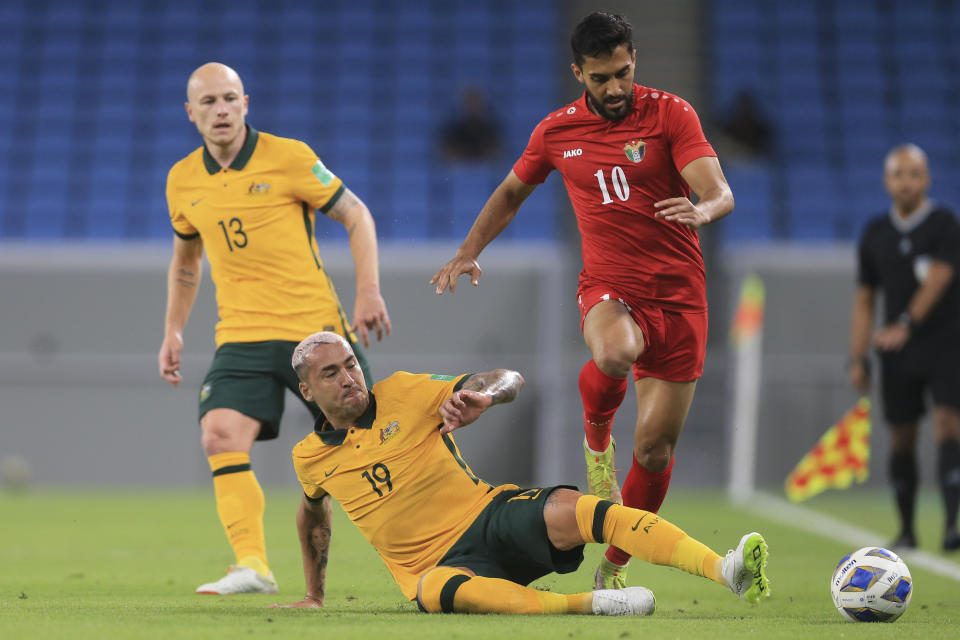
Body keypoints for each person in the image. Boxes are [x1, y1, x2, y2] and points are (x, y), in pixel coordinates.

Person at [430, 12, 734, 589]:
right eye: (601, 78)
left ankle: (614, 566)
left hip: (681, 298)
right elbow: (512, 189)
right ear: (578, 73)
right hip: (610, 287)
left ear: (634, 60)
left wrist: (702, 209)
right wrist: (470, 250)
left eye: (622, 73)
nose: (615, 88)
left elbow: (718, 189)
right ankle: (597, 443)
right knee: (616, 353)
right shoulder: (556, 132)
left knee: (653, 449)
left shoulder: (672, 113)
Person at [274, 331, 770, 614]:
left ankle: (725, 569)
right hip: (437, 564)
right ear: (308, 390)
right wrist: (314, 595)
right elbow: (313, 517)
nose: (349, 377)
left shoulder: (404, 390)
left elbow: (508, 378)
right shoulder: (310, 458)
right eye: (331, 373)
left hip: (488, 515)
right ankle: (589, 605)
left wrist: (484, 396)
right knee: (432, 592)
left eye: (350, 364)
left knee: (587, 512)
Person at [158, 62, 392, 595]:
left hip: (315, 332)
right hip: (240, 334)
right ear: (190, 112)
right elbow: (187, 262)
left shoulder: (289, 157)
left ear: (246, 103)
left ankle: (431, 552)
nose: (220, 110)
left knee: (365, 455)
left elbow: (357, 215)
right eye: (209, 102)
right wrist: (173, 330)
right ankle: (252, 564)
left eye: (229, 99)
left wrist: (368, 290)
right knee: (219, 435)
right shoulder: (181, 179)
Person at [848, 143, 960, 552]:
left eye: (915, 173)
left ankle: (952, 525)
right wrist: (858, 356)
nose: (907, 181)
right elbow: (864, 299)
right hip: (897, 352)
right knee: (902, 437)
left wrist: (906, 324)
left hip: (946, 343)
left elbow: (939, 279)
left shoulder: (945, 223)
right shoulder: (875, 233)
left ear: (927, 179)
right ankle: (907, 529)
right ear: (887, 181)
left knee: (950, 425)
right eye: (899, 174)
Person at [438, 87, 503, 163]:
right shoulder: (453, 130)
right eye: (470, 103)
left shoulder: (491, 130)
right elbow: (446, 154)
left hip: (485, 171)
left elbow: (497, 155)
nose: (473, 107)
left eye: (476, 103)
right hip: (459, 172)